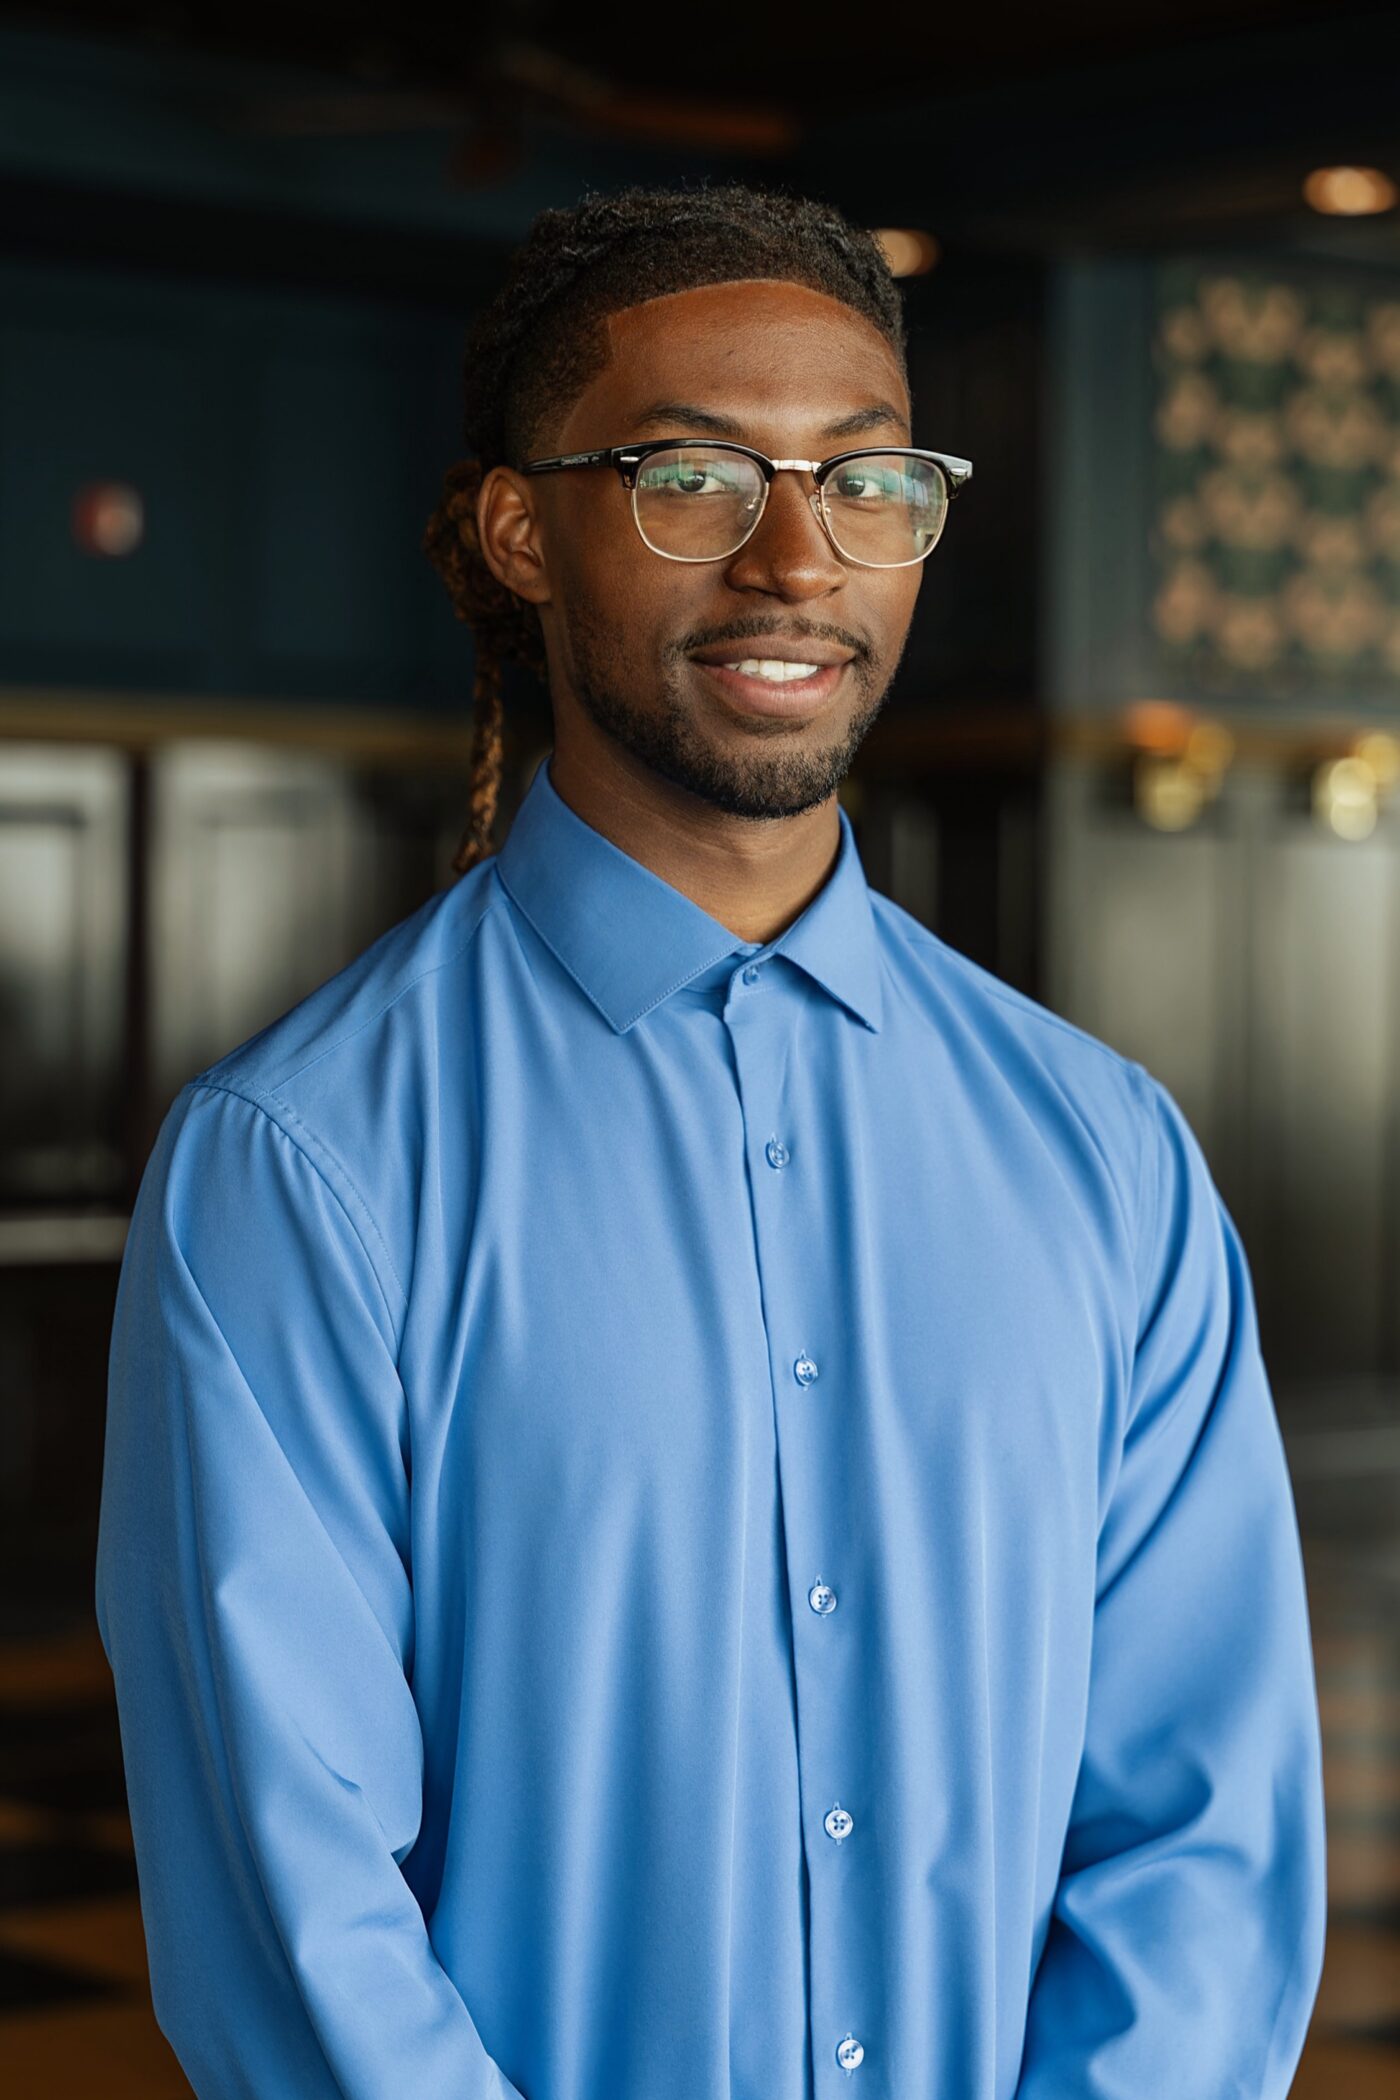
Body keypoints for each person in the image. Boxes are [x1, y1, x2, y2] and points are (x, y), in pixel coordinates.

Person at [95, 181, 1326, 2100]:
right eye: (689, 478)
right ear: (523, 531)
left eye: (866, 483)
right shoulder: (300, 1167)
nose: (792, 561)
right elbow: (291, 1901)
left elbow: (1204, 1835)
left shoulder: (1109, 1156)